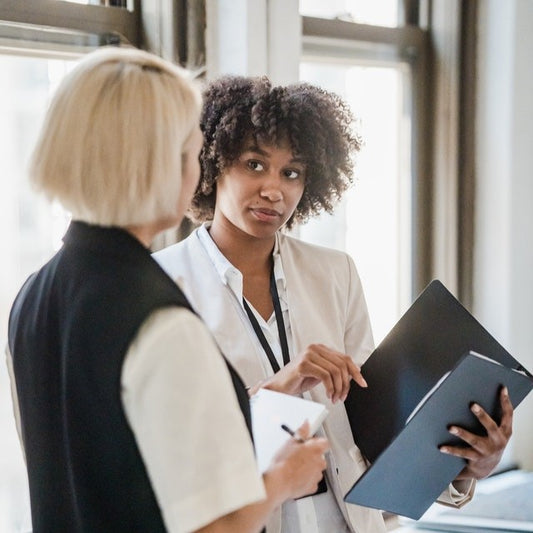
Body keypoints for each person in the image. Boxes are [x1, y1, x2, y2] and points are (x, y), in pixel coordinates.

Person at [153, 75, 514, 533]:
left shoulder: (334, 272)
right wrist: (281, 384)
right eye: (254, 164)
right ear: (213, 162)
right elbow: (173, 445)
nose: (274, 190)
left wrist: (467, 466)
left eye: (292, 172)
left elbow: (372, 425)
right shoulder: (163, 285)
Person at [6, 49, 330, 533]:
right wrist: (284, 479)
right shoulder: (158, 319)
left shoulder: (32, 297)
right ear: (161, 163)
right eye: (192, 150)